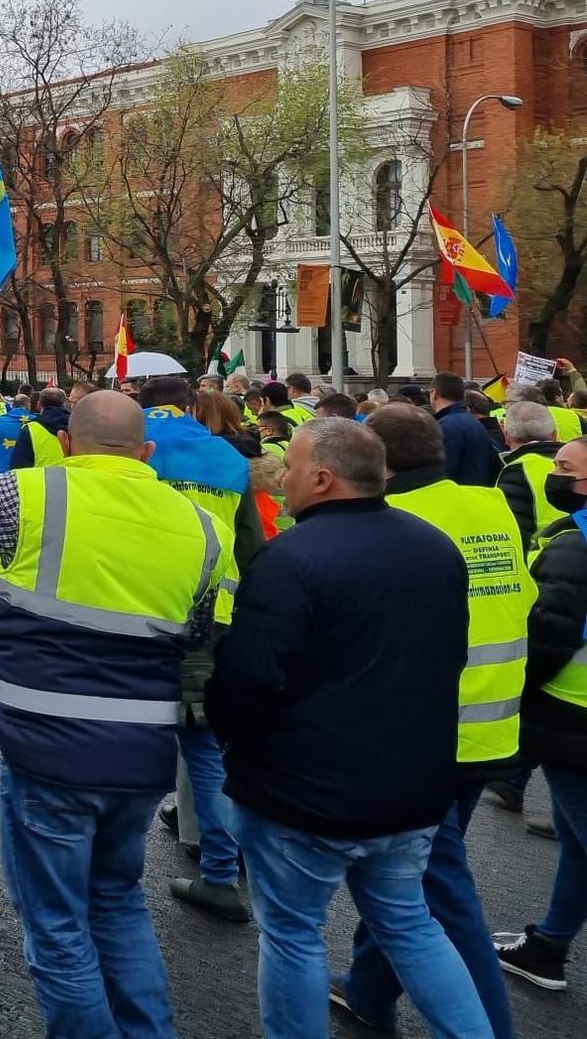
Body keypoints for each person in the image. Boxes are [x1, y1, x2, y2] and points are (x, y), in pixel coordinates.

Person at [0, 390, 222, 1037]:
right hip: (143, 756)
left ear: (67, 444)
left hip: (48, 753)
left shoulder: (35, 496)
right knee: (119, 904)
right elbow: (196, 635)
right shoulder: (203, 528)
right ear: (145, 453)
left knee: (58, 929)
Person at [207, 418, 490, 1038]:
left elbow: (247, 681)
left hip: (300, 797)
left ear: (323, 478)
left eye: (291, 468)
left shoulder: (291, 559)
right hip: (412, 791)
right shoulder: (434, 547)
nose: (281, 479)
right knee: (411, 924)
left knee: (292, 934)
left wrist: (232, 742)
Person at [328, 403, 532, 1034]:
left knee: (440, 889)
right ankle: (368, 986)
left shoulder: (395, 521)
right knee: (408, 871)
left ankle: (491, 1027)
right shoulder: (488, 504)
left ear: (379, 462)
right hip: (492, 723)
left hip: (425, 731)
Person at [136, 376, 262, 924]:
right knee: (205, 751)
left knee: (114, 739)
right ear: (191, 406)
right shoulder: (228, 456)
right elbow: (251, 545)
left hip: (137, 610)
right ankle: (219, 874)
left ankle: (101, 879)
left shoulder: (129, 445)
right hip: (214, 617)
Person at [492, 434, 587, 992]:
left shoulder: (574, 546)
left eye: (565, 468)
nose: (555, 475)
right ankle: (549, 945)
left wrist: (519, 696)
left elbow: (549, 637)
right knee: (575, 840)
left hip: (571, 715)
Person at [498, 400, 564, 553]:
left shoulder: (517, 470)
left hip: (546, 560)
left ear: (507, 437)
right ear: (555, 434)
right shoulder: (580, 461)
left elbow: (516, 529)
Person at [432, 372, 502, 487]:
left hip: (456, 498)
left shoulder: (446, 426)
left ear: (434, 393)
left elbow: (442, 473)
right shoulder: (474, 423)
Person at [8, 387, 68, 469]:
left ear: (39, 405)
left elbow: (18, 466)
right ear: (64, 404)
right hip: (75, 479)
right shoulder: (78, 426)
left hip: (40, 480)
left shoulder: (30, 429)